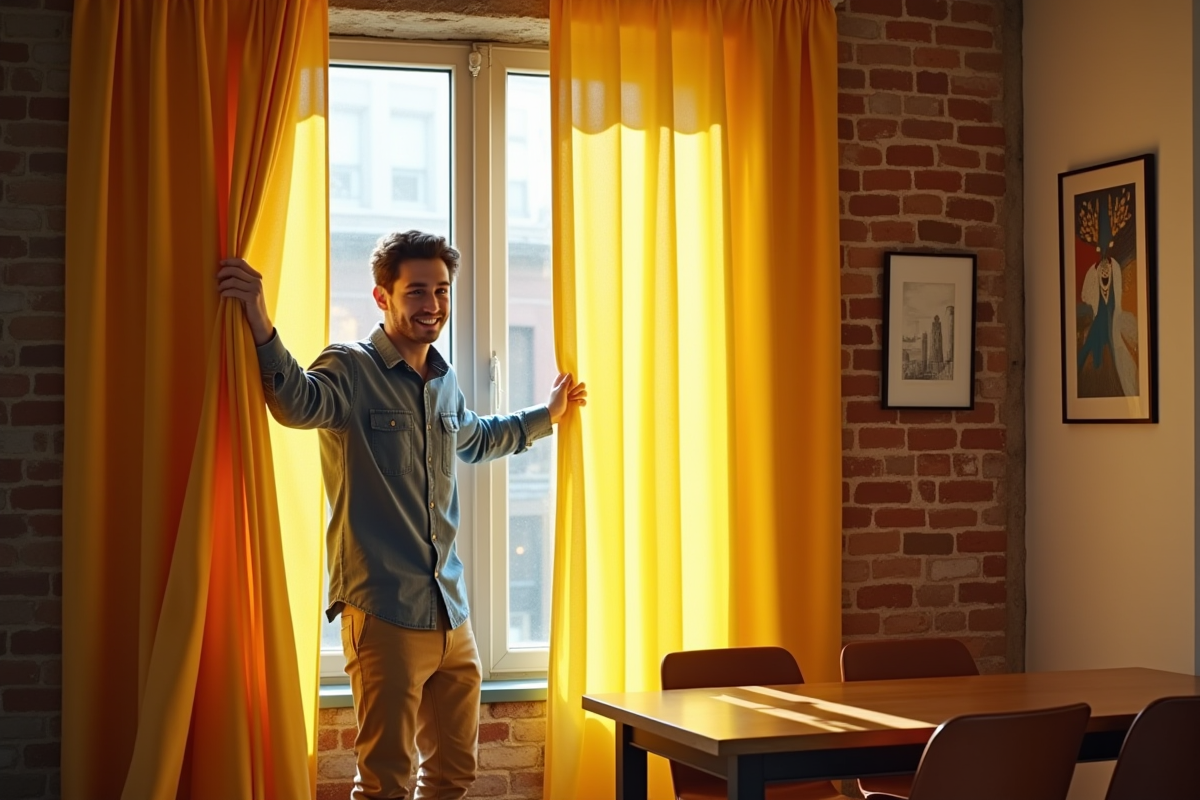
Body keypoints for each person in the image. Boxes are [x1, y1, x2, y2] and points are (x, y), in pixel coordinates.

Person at [217, 230, 586, 800]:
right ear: (382, 297)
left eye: (441, 290)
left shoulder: (443, 378)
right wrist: (259, 317)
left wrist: (548, 415)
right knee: (385, 783)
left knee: (451, 778)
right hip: (384, 612)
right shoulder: (350, 367)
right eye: (417, 291)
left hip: (451, 611)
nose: (433, 305)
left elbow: (474, 438)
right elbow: (294, 401)